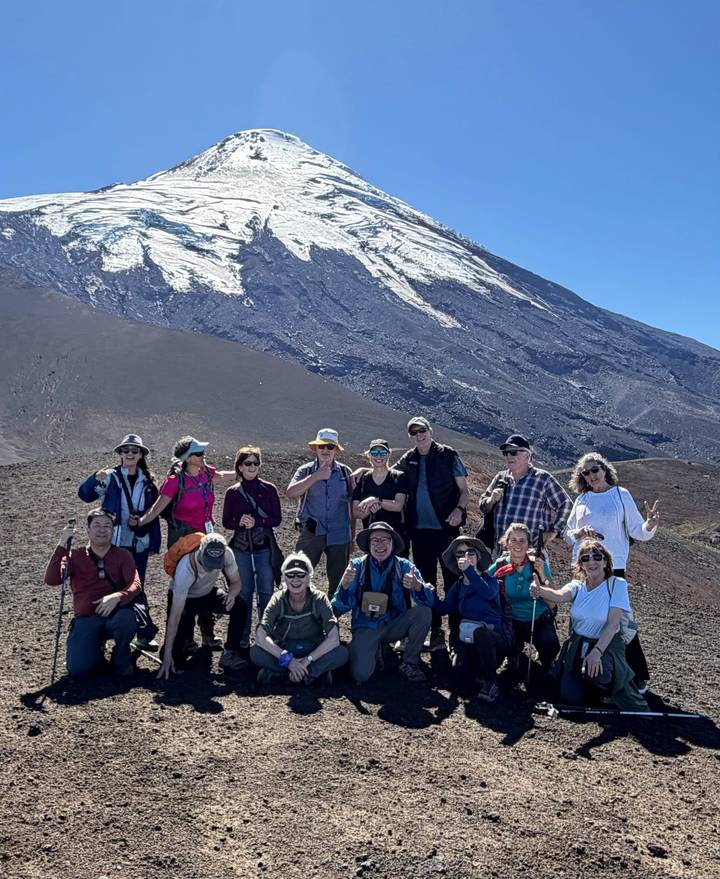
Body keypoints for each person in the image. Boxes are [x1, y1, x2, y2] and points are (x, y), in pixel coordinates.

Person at [565, 452, 660, 693]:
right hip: (584, 568)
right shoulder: (582, 499)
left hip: (613, 567)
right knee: (583, 617)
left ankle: (637, 674)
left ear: (605, 469)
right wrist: (578, 534)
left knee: (621, 622)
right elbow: (568, 533)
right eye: (586, 472)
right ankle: (579, 669)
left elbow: (638, 530)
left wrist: (650, 524)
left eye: (595, 469)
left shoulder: (620, 495)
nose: (591, 475)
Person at [131, 436, 235, 648]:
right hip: (182, 541)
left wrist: (243, 472)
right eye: (198, 453)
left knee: (207, 582)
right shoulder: (174, 481)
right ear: (187, 458)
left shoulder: (205, 472)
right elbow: (158, 508)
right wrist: (140, 521)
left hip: (206, 538)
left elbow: (221, 476)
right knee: (185, 586)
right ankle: (186, 638)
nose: (202, 456)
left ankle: (207, 634)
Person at [529, 538, 649, 711]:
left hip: (605, 645)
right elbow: (559, 595)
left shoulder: (616, 585)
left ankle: (608, 690)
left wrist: (597, 652)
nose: (591, 562)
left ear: (606, 561)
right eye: (585, 558)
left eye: (597, 557)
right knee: (569, 697)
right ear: (581, 564)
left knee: (598, 673)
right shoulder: (578, 585)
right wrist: (539, 590)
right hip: (579, 644)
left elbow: (613, 624)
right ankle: (587, 685)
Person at [394, 416, 470, 653]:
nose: (419, 435)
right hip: (420, 533)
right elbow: (389, 474)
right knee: (426, 584)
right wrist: (365, 470)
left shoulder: (448, 455)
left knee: (453, 582)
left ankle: (456, 635)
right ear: (410, 436)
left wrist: (459, 510)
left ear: (430, 430)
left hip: (447, 530)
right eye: (414, 432)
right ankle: (435, 632)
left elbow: (464, 491)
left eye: (422, 430)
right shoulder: (409, 459)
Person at [78, 433, 160, 648]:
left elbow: (154, 513)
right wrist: (95, 477)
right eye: (126, 450)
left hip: (138, 543)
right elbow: (85, 495)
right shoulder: (109, 477)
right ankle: (103, 633)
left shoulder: (148, 481)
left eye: (134, 451)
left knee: (136, 586)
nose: (130, 454)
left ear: (141, 454)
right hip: (111, 543)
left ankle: (143, 634)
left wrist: (153, 542)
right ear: (120, 454)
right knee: (106, 587)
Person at [331, 521, 433, 684]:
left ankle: (409, 663)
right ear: (368, 545)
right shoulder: (357, 567)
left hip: (394, 623)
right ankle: (367, 648)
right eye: (375, 540)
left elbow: (429, 601)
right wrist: (344, 587)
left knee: (423, 613)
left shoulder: (404, 566)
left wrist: (418, 586)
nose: (380, 544)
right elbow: (339, 606)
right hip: (366, 626)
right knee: (360, 675)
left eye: (385, 539)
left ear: (393, 544)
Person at [43, 509, 141, 677]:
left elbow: (136, 584)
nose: (102, 530)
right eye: (96, 525)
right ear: (88, 530)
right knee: (79, 669)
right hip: (86, 619)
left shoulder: (123, 555)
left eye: (107, 526)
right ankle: (95, 652)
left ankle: (121, 659)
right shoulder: (74, 556)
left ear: (113, 530)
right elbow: (52, 579)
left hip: (115, 616)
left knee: (127, 619)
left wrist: (118, 597)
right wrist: (61, 545)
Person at [156, 532, 247, 679]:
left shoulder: (227, 554)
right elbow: (174, 617)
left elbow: (236, 582)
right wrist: (167, 655)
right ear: (201, 550)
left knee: (239, 606)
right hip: (185, 599)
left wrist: (231, 594)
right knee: (174, 659)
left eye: (215, 563)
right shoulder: (185, 569)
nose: (211, 568)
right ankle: (180, 646)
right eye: (208, 562)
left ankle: (230, 653)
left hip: (207, 593)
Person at [250, 553, 349, 685]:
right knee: (256, 652)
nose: (295, 579)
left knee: (342, 653)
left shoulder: (319, 599)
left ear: (309, 578)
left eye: (301, 575)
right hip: (285, 650)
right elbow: (261, 636)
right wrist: (288, 660)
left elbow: (334, 638)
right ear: (284, 578)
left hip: (313, 651)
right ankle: (312, 674)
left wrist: (306, 661)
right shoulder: (278, 599)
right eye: (290, 575)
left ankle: (284, 674)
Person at [435, 536, 512, 702]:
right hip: (469, 640)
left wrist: (469, 570)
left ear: (478, 557)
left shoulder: (491, 581)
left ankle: (491, 682)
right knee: (458, 672)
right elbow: (444, 608)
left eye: (470, 552)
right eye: (460, 553)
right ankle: (478, 674)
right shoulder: (458, 585)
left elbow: (486, 593)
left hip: (494, 640)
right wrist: (421, 590)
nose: (465, 556)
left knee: (481, 634)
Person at [222, 446, 282, 650]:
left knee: (266, 592)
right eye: (248, 463)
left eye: (256, 463)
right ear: (239, 466)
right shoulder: (233, 492)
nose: (252, 467)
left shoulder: (269, 489)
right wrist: (239, 522)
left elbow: (277, 519)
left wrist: (256, 521)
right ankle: (243, 638)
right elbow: (226, 522)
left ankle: (266, 636)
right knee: (244, 593)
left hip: (263, 548)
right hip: (241, 550)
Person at [286, 428, 353, 599]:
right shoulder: (305, 471)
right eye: (321, 446)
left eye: (330, 446)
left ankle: (332, 619)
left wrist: (351, 538)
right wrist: (316, 476)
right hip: (312, 532)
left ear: (336, 450)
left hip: (340, 535)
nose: (325, 450)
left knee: (338, 582)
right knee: (299, 575)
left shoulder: (346, 473)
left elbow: (352, 508)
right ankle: (299, 615)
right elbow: (291, 493)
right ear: (315, 448)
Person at [478, 434, 572, 554]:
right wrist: (491, 500)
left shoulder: (542, 479)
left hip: (530, 553)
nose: (508, 456)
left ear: (527, 456)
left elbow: (566, 504)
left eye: (513, 452)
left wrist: (553, 531)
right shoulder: (501, 477)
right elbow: (483, 506)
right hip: (500, 551)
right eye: (505, 453)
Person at [487, 522, 559, 673]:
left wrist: (543, 576)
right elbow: (484, 583)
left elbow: (553, 603)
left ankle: (546, 661)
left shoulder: (537, 565)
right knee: (503, 646)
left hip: (537, 619)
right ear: (506, 543)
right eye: (513, 540)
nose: (517, 544)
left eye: (522, 540)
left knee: (550, 644)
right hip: (511, 620)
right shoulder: (500, 565)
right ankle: (513, 654)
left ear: (528, 544)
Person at [351, 438, 408, 538]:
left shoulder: (398, 477)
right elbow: (356, 513)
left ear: (389, 453)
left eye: (382, 452)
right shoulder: (362, 480)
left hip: (396, 536)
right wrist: (369, 509)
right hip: (371, 537)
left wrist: (376, 500)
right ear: (368, 455)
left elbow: (398, 506)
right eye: (374, 452)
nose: (379, 456)